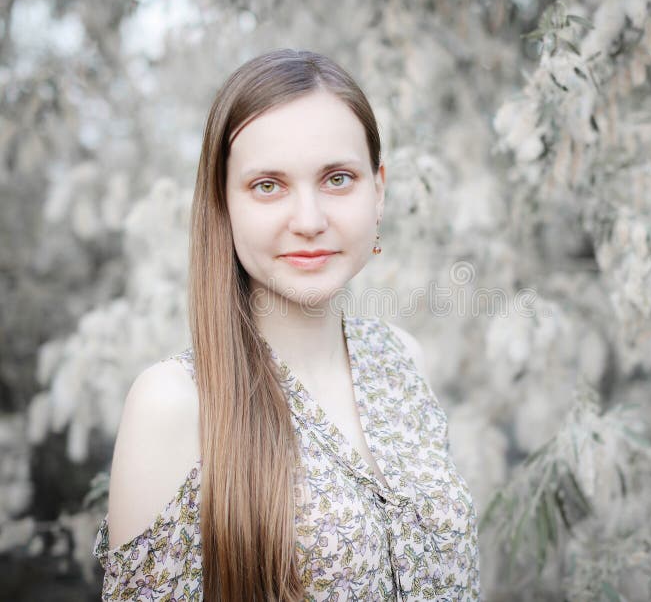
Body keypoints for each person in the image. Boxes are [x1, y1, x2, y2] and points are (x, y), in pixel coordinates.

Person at [92, 49, 480, 601]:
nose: (309, 221)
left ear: (379, 192)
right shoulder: (176, 403)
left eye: (338, 179)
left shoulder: (402, 358)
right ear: (222, 207)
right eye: (268, 186)